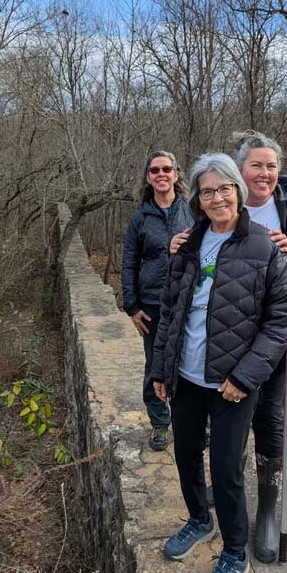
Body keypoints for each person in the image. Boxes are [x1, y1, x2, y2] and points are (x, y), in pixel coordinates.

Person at [170, 131, 287, 564]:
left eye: (271, 166)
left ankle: (265, 509)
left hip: (271, 343)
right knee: (217, 439)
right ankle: (221, 496)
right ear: (240, 171)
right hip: (215, 347)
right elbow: (179, 296)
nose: (265, 173)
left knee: (269, 420)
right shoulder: (206, 220)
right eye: (256, 165)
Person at [151, 153, 287, 573]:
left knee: (226, 469)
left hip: (232, 383)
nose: (217, 198)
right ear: (197, 199)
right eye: (208, 191)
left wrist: (245, 377)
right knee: (185, 455)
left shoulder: (265, 247)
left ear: (238, 191)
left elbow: (282, 318)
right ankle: (199, 520)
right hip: (187, 376)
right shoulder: (187, 246)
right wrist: (160, 370)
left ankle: (235, 552)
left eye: (225, 188)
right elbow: (169, 312)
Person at [121, 150, 192, 451]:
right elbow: (129, 261)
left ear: (176, 174)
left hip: (187, 300)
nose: (161, 174)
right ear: (148, 178)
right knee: (156, 364)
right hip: (151, 303)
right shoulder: (140, 217)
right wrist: (132, 306)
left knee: (189, 362)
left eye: (166, 169)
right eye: (154, 170)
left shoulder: (191, 210)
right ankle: (160, 423)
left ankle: (191, 422)